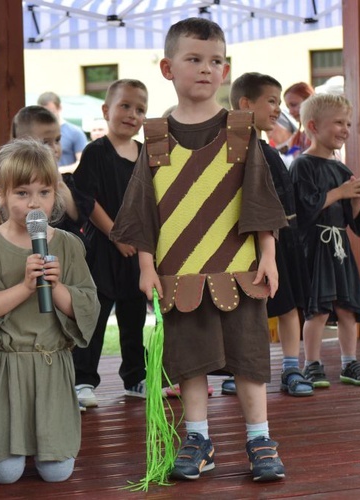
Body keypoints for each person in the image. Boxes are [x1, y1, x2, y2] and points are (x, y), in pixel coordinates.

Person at [111, 18, 288, 482]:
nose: (205, 69)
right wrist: (146, 267)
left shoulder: (242, 130)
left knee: (249, 359)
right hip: (179, 273)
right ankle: (198, 439)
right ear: (169, 68)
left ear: (225, 70)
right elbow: (142, 213)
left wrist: (267, 256)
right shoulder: (154, 137)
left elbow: (260, 198)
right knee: (190, 359)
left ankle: (259, 438)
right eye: (194, 59)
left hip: (240, 270)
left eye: (214, 61)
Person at [0, 139, 99, 484]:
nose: (34, 203)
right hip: (5, 367)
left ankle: (36, 445)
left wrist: (56, 289)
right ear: (0, 194)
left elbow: (85, 308)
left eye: (43, 192)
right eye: (22, 193)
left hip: (51, 368)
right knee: (5, 473)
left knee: (57, 473)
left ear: (56, 194)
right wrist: (25, 287)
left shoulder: (68, 245)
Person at [220, 72, 313, 397]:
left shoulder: (269, 150)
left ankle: (291, 366)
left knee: (287, 306)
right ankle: (241, 366)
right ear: (246, 104)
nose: (277, 109)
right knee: (247, 309)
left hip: (283, 240)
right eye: (271, 101)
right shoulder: (231, 151)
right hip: (247, 243)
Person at [291, 93, 360, 388]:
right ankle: (312, 363)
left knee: (347, 307)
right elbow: (305, 208)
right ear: (313, 126)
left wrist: (356, 197)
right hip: (316, 247)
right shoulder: (303, 165)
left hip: (339, 247)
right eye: (338, 123)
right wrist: (342, 192)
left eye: (348, 123)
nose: (345, 129)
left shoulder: (342, 169)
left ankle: (349, 361)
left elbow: (352, 222)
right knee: (319, 307)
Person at [71, 79, 148, 407]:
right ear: (106, 110)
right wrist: (116, 234)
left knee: (134, 318)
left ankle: (136, 377)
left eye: (140, 109)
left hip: (136, 251)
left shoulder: (145, 155)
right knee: (95, 317)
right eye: (125, 106)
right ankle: (83, 381)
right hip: (102, 248)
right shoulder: (96, 151)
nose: (132, 114)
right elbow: (85, 197)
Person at [10, 105, 94, 240]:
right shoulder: (13, 180)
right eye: (45, 142)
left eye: (57, 140)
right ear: (22, 143)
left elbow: (78, 217)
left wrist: (58, 183)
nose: (55, 148)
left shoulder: (67, 181)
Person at [38, 91, 88, 173]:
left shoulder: (75, 132)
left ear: (59, 108)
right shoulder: (38, 132)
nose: (47, 117)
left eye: (51, 112)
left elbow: (83, 163)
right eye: (43, 114)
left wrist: (57, 171)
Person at [281, 82, 314, 158]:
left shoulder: (320, 133)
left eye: (293, 105)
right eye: (288, 107)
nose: (290, 111)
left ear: (309, 102)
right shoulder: (300, 136)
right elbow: (291, 153)